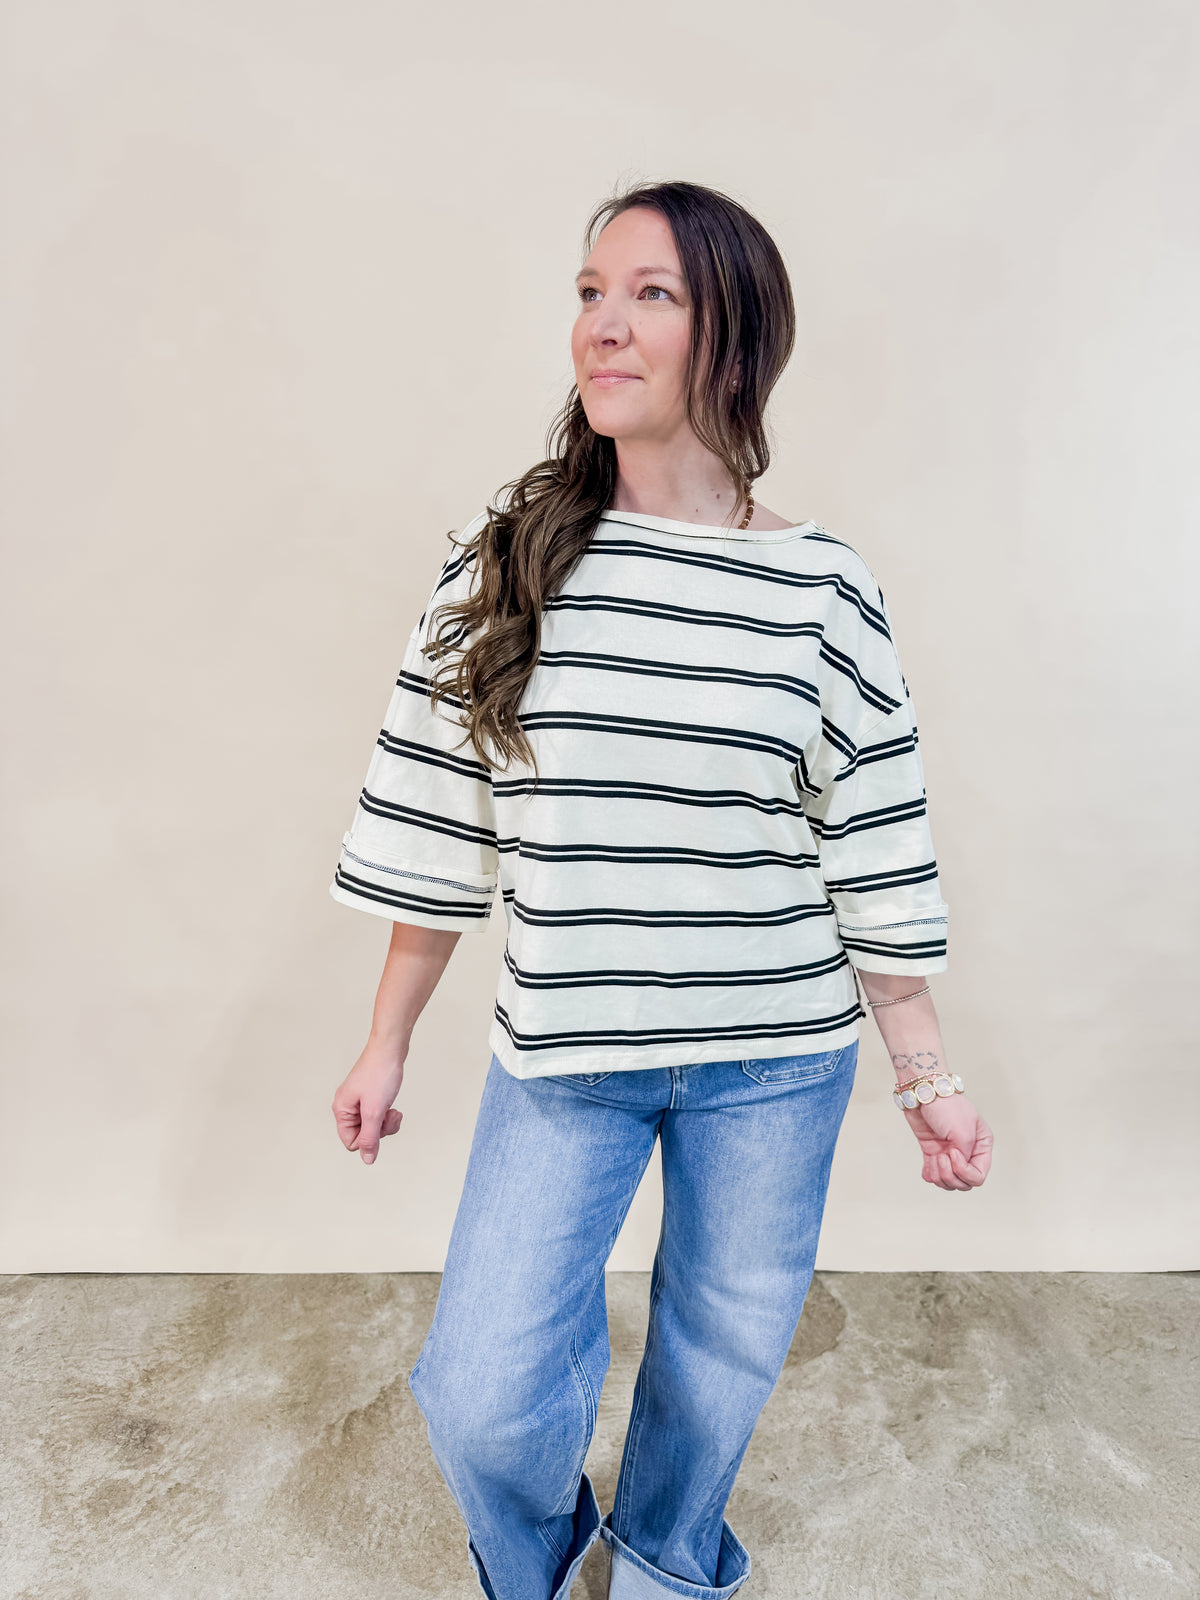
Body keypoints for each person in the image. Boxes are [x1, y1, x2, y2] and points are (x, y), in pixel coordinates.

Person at [329, 180, 993, 1600]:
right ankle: (548, 1563)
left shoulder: (820, 587)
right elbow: (438, 808)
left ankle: (671, 1563)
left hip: (777, 1056)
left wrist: (926, 1076)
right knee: (485, 1386)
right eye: (587, 291)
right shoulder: (508, 560)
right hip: (570, 1056)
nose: (602, 326)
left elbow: (872, 835)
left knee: (724, 1348)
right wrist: (384, 1039)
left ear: (733, 345)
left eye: (650, 295)